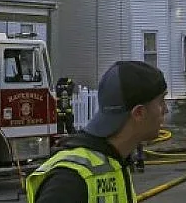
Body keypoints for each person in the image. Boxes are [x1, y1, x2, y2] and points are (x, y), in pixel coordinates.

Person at [26, 61, 168, 202]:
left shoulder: (116, 161)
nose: (166, 109)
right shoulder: (69, 180)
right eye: (161, 101)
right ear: (139, 113)